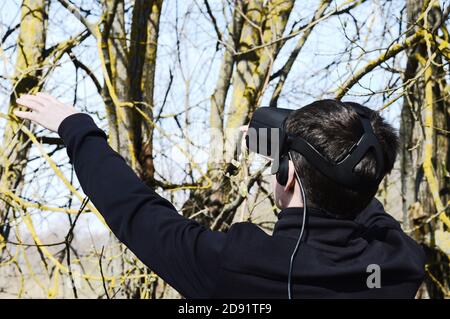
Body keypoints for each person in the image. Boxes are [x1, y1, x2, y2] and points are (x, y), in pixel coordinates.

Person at [14, 94, 425, 298]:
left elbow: (137, 211)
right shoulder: (399, 262)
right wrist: (300, 157)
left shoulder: (241, 268)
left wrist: (74, 126)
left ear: (285, 178)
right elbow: (362, 202)